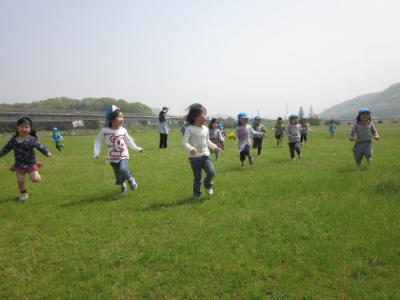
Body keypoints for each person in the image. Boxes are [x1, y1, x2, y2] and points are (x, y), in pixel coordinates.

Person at [94, 105, 144, 194]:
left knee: (123, 170)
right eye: (119, 117)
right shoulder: (105, 131)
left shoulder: (123, 130)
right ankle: (122, 186)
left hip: (123, 155)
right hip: (112, 157)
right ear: (111, 119)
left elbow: (129, 141)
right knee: (118, 175)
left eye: (122, 117)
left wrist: (137, 148)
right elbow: (98, 141)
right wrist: (96, 153)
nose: (122, 119)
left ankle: (130, 179)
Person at [0, 117, 52, 201]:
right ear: (17, 128)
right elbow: (5, 149)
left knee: (35, 179)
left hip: (31, 163)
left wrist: (47, 152)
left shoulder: (32, 139)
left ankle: (37, 172)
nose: (24, 129)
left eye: (26, 127)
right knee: (20, 181)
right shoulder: (13, 140)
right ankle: (24, 194)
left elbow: (40, 146)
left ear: (30, 129)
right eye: (21, 127)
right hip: (19, 164)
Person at [183, 103, 221, 200]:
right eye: (204, 114)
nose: (206, 116)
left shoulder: (206, 129)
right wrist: (191, 148)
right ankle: (197, 194)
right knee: (197, 178)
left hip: (205, 156)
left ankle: (208, 185)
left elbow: (207, 141)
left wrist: (215, 146)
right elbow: (185, 142)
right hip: (194, 159)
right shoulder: (189, 129)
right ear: (196, 117)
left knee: (211, 172)